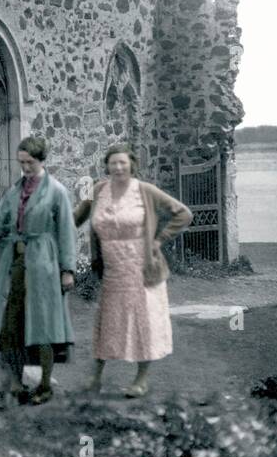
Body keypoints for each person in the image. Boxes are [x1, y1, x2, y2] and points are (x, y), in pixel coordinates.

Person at [0, 136, 75, 407]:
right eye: (21, 163)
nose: (25, 168)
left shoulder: (56, 192)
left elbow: (67, 232)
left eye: (30, 163)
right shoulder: (15, 191)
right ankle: (17, 383)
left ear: (42, 161)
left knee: (43, 326)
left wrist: (68, 269)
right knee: (12, 326)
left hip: (43, 263)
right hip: (15, 266)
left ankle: (44, 385)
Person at [75, 143, 192, 397]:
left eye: (122, 163)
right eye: (113, 163)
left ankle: (141, 379)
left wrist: (159, 240)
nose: (117, 167)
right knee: (108, 321)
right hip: (112, 269)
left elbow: (183, 214)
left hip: (142, 268)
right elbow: (75, 219)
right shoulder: (98, 191)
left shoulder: (145, 191)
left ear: (131, 165)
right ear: (106, 165)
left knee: (143, 322)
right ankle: (95, 378)